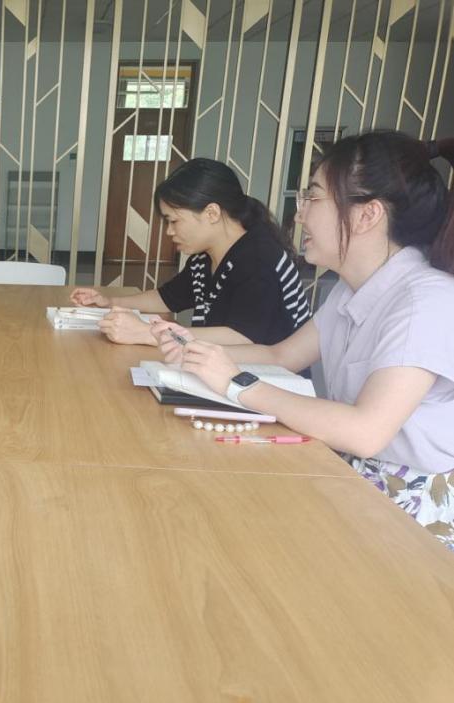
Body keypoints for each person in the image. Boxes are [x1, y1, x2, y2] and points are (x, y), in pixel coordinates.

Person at [153, 132, 454, 550]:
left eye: (313, 197)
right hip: (353, 472)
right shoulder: (352, 289)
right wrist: (193, 348)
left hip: (407, 507)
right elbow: (282, 354)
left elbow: (366, 431)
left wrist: (237, 383)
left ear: (367, 215)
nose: (298, 216)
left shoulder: (425, 302)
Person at [69, 158, 310, 346]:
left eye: (174, 221)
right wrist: (109, 302)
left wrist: (149, 333)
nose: (169, 231)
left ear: (212, 213)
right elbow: (166, 298)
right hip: (222, 371)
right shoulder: (204, 258)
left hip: (268, 381)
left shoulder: (259, 258)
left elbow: (243, 338)